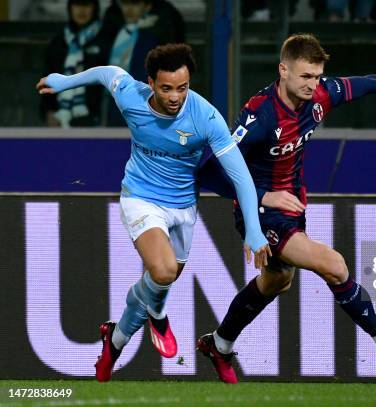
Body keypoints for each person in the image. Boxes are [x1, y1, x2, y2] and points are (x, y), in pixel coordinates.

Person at [196, 33, 376, 383]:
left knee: (276, 281)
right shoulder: (259, 116)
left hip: (292, 206)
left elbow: (365, 85)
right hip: (261, 210)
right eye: (305, 76)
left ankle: (220, 343)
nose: (312, 84)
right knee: (333, 265)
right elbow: (210, 171)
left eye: (317, 76)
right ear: (283, 70)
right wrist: (262, 196)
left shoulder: (320, 97)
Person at [36, 43, 271, 382]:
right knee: (162, 272)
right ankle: (158, 314)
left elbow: (241, 177)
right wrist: (65, 81)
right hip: (141, 198)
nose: (176, 96)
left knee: (164, 277)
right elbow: (107, 74)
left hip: (184, 208)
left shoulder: (205, 116)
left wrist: (254, 229)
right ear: (151, 82)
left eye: (183, 87)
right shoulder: (131, 96)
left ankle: (114, 340)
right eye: (166, 88)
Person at [40, 0, 111, 127]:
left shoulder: (106, 40)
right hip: (60, 120)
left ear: (94, 8)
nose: (81, 11)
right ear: (70, 8)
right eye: (77, 5)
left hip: (95, 121)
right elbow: (48, 79)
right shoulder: (59, 42)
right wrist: (49, 110)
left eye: (86, 5)